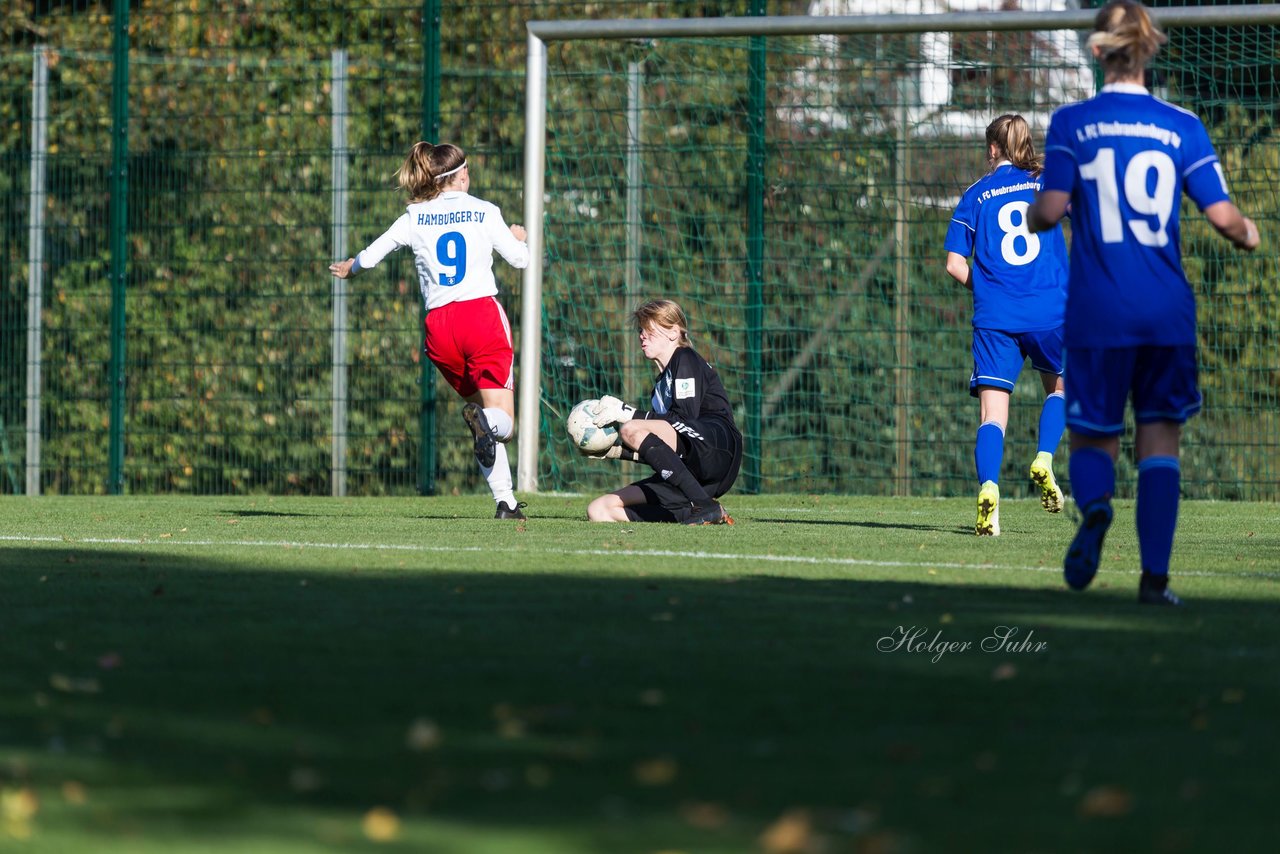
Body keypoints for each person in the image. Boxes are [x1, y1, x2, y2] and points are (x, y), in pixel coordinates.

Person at [1027, 0, 1259, 604]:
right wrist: (1248, 232)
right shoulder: (1181, 125)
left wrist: (1037, 209)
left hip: (1099, 311)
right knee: (1160, 441)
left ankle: (1097, 509)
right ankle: (1154, 582)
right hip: (1165, 312)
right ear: (1149, 49)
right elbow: (1223, 216)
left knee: (1092, 438)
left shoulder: (1072, 122)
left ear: (1097, 50)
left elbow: (1049, 212)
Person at [329, 142, 531, 519]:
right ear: (463, 173)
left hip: (440, 329)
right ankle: (488, 432)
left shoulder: (414, 216)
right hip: (480, 317)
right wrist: (519, 238)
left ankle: (505, 502)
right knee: (500, 420)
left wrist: (349, 268)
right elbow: (520, 261)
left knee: (483, 422)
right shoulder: (485, 211)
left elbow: (372, 255)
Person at [944, 114, 1070, 537]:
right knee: (1061, 386)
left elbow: (953, 263)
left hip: (996, 316)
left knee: (992, 415)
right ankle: (1045, 459)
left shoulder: (976, 194)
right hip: (1050, 308)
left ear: (993, 148)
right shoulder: (1045, 180)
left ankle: (990, 489)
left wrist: (989, 289)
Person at [585, 299, 741, 525]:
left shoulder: (684, 358)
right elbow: (665, 453)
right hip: (695, 475)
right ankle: (698, 512)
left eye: (650, 329)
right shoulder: (658, 390)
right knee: (599, 510)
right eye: (641, 330)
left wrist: (627, 412)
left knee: (630, 428)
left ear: (673, 332)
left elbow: (684, 420)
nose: (642, 335)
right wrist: (613, 451)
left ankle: (703, 504)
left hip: (717, 449)